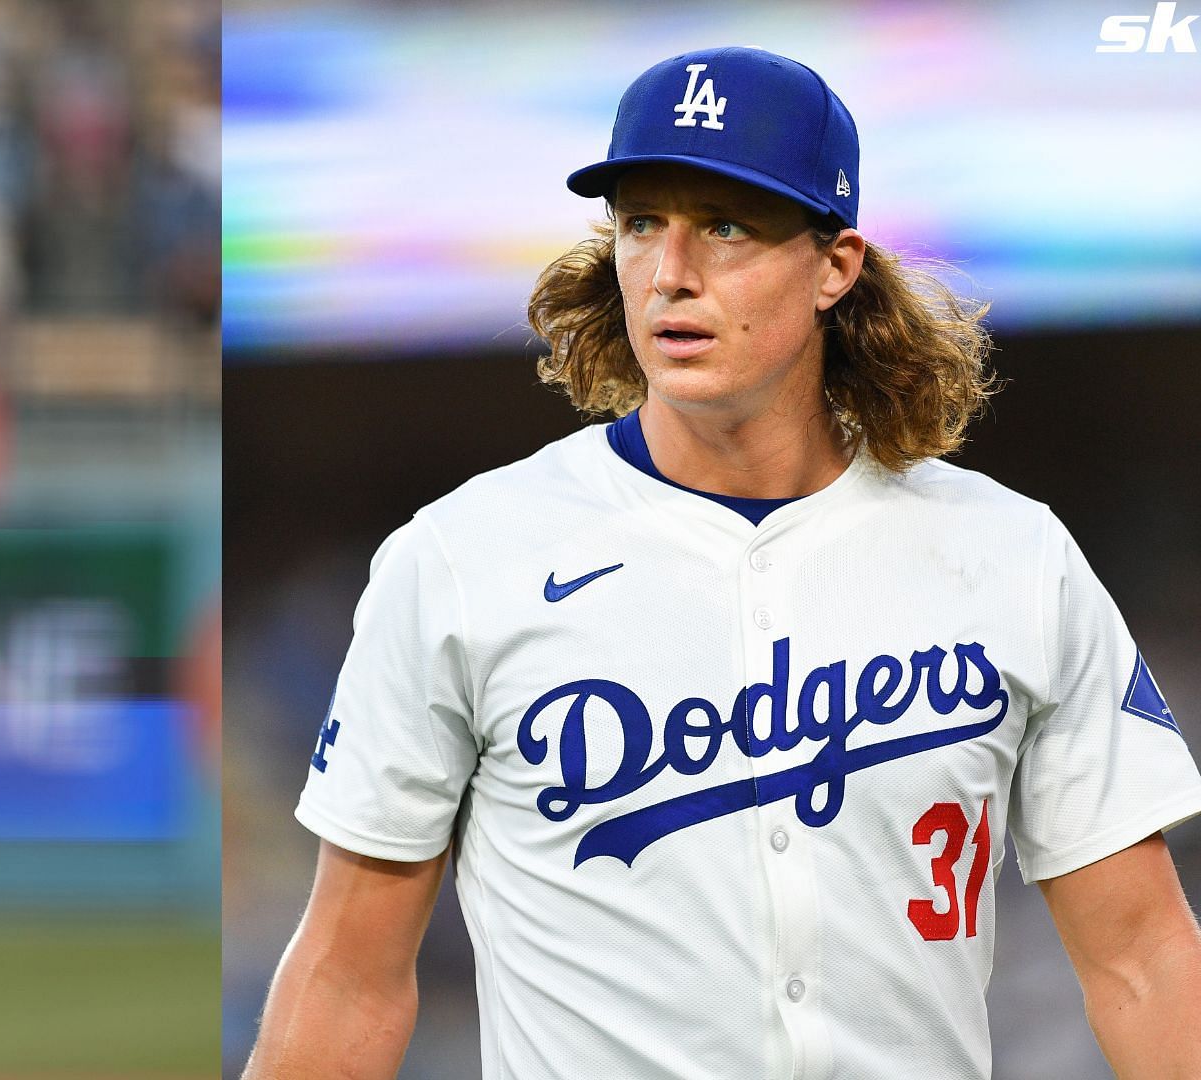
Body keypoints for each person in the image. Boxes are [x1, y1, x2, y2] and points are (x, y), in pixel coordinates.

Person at [244, 47, 1201, 1079]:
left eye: (728, 226)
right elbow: (349, 976)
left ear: (835, 265)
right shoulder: (464, 559)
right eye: (643, 221)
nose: (671, 271)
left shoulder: (1011, 556)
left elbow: (1141, 955)